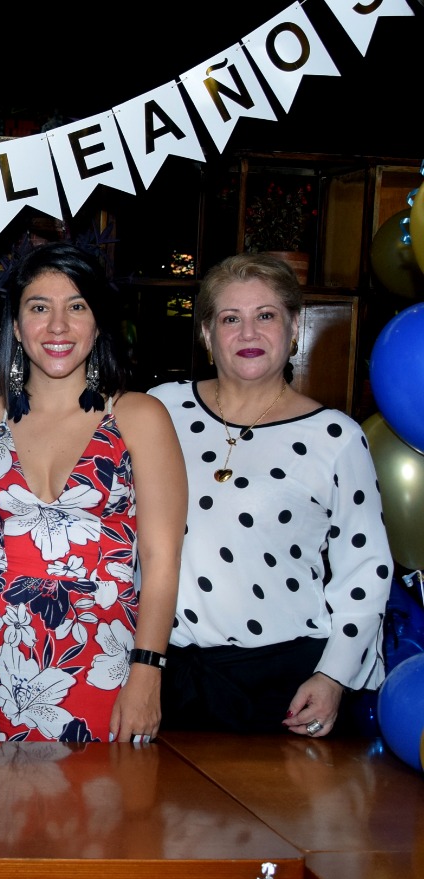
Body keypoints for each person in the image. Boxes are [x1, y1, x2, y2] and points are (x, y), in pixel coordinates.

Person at [0, 241, 186, 745]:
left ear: (97, 321)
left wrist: (148, 669)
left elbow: (163, 559)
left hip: (101, 666)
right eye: (39, 308)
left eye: (76, 307)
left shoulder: (138, 417)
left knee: (94, 817)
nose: (58, 326)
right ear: (17, 328)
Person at [151, 253, 392, 737]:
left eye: (266, 316)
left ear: (294, 326)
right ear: (206, 335)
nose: (248, 334)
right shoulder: (159, 409)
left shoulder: (336, 437)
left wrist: (332, 676)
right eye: (230, 319)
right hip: (164, 677)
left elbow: (367, 568)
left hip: (284, 684)